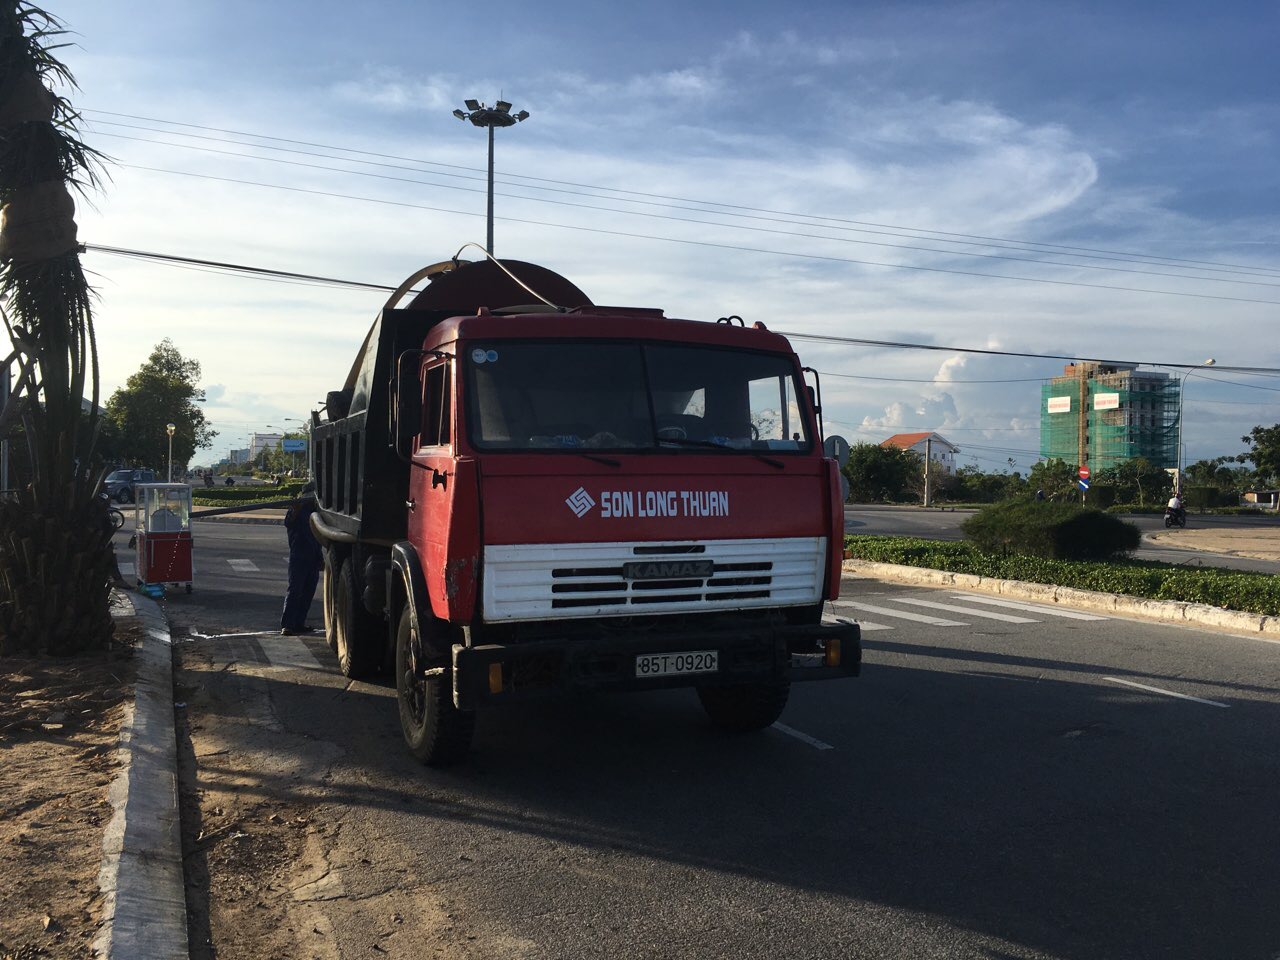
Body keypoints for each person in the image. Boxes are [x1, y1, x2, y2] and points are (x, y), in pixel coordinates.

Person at [280, 482, 323, 636]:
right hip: (299, 556)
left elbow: (318, 537)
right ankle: (287, 625)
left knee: (308, 591)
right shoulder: (296, 509)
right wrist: (295, 511)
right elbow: (288, 523)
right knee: (295, 590)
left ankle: (299, 623)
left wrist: (320, 557)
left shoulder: (315, 512)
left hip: (313, 556)